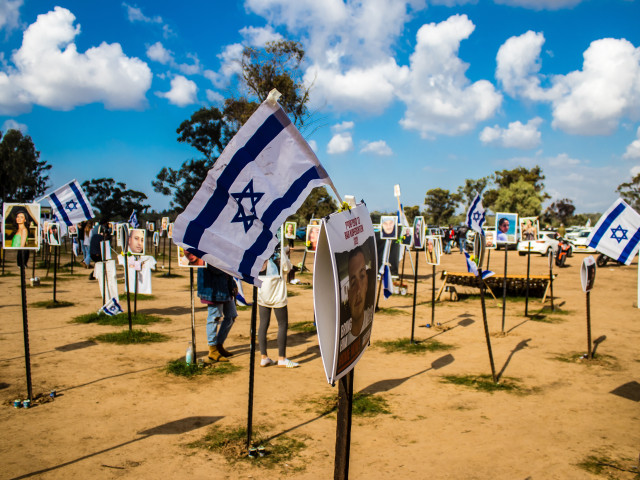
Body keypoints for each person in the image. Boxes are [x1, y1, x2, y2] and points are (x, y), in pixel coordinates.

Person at [258, 246, 299, 368]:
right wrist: (285, 253)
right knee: (282, 324)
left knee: (263, 324)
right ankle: (282, 358)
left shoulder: (259, 250)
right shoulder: (278, 252)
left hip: (262, 293)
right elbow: (287, 268)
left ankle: (263, 357)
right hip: (277, 294)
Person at [197, 264, 238, 362]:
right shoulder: (207, 250)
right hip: (213, 289)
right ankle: (212, 349)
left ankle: (219, 344)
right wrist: (228, 267)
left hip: (225, 287)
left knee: (231, 316)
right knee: (214, 317)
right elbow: (214, 268)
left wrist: (232, 283)